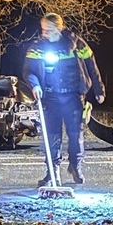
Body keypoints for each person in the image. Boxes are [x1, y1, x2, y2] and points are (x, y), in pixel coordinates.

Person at [23, 13, 105, 185]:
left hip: (73, 96)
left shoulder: (77, 44)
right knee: (52, 136)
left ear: (59, 28)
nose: (45, 33)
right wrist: (35, 85)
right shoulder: (38, 47)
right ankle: (52, 172)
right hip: (50, 97)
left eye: (49, 30)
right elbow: (28, 71)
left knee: (75, 135)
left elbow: (92, 66)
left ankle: (75, 166)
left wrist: (99, 90)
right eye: (43, 29)